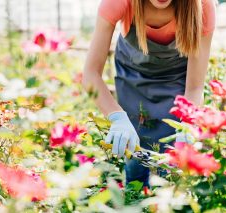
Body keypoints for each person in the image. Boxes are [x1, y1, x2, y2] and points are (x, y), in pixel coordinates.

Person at [82, 0, 216, 186]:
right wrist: (117, 117)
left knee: (170, 168)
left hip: (177, 79)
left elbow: (194, 88)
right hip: (132, 78)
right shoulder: (119, 2)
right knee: (135, 158)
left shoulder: (203, 6)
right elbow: (90, 74)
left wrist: (187, 123)